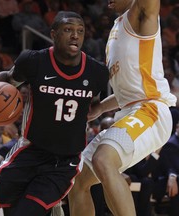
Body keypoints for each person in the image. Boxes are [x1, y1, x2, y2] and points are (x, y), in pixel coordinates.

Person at [0, 11, 109, 216]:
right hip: (29, 152)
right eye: (68, 30)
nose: (75, 36)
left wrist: (94, 113)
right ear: (53, 34)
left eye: (80, 31)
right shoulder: (34, 61)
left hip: (63, 164)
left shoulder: (96, 72)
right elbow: (8, 78)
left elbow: (93, 104)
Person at [68, 1, 177, 216]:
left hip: (151, 109)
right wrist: (99, 109)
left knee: (103, 159)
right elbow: (126, 92)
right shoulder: (116, 28)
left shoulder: (140, 16)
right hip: (129, 110)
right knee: (78, 179)